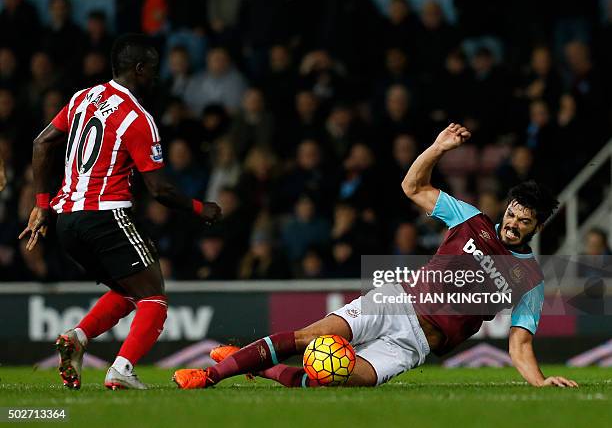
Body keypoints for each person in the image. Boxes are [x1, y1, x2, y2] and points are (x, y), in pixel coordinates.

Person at [172, 123, 578, 389]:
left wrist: (540, 382)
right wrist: (438, 148)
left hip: (415, 346)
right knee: (308, 338)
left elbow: (520, 343)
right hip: (394, 302)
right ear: (505, 209)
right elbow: (413, 186)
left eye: (523, 222)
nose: (511, 224)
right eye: (511, 214)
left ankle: (252, 363)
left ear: (536, 228)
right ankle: (209, 376)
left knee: (330, 379)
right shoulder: (472, 219)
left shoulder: (530, 281)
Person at [18, 34, 222, 390]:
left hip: (67, 221)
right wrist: (200, 208)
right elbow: (159, 190)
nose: (156, 77)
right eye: (153, 70)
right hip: (105, 215)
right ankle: (122, 369)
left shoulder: (83, 98)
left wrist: (40, 204)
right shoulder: (137, 117)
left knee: (131, 291)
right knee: (154, 296)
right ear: (139, 69)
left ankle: (78, 338)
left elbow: (41, 142)